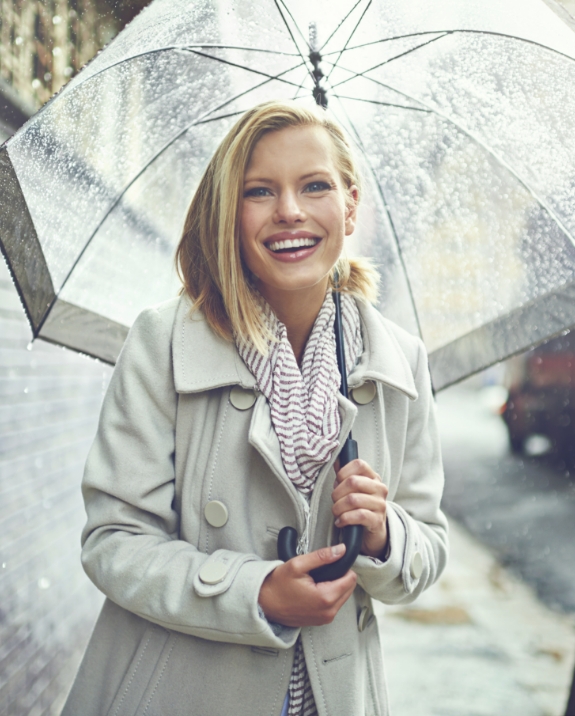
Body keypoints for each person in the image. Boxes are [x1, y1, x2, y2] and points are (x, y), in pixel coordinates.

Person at [62, 100, 448, 716]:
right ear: (230, 214)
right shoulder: (164, 343)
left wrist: (383, 535)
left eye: (314, 185)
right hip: (182, 690)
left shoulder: (399, 361)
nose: (289, 210)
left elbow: (428, 545)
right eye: (259, 191)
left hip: (332, 695)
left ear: (350, 205)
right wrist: (258, 592)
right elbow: (113, 542)